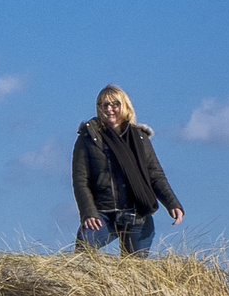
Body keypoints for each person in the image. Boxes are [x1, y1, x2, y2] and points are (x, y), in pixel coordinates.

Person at [72, 84, 184, 257]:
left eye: (114, 104)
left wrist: (172, 203)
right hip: (104, 214)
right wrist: (88, 212)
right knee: (84, 246)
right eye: (104, 105)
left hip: (137, 214)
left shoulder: (140, 138)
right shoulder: (88, 139)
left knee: (134, 269)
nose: (109, 109)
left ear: (124, 106)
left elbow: (155, 175)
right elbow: (81, 180)